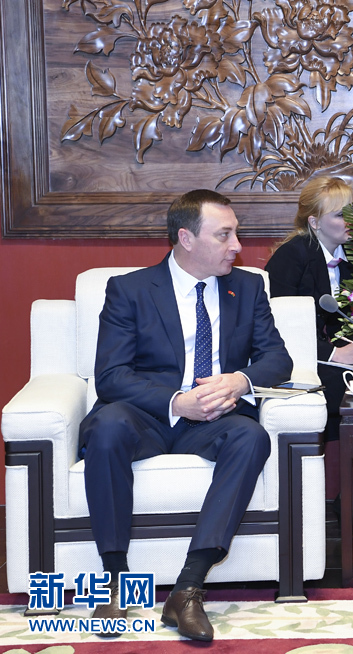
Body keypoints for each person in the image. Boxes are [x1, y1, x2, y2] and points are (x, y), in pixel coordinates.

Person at [79, 189, 293, 641]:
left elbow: (277, 359)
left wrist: (238, 381)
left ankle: (188, 588)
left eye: (236, 234)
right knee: (106, 425)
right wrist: (177, 401)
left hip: (214, 420)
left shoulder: (248, 286)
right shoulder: (130, 289)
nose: (237, 246)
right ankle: (114, 581)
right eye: (224, 235)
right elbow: (111, 376)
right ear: (186, 238)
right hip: (148, 415)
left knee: (251, 437)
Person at [265, 176, 353, 534]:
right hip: (297, 362)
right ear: (314, 222)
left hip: (334, 360)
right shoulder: (292, 256)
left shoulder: (352, 259)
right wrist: (334, 353)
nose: (351, 222)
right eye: (341, 215)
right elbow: (279, 326)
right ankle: (352, 495)